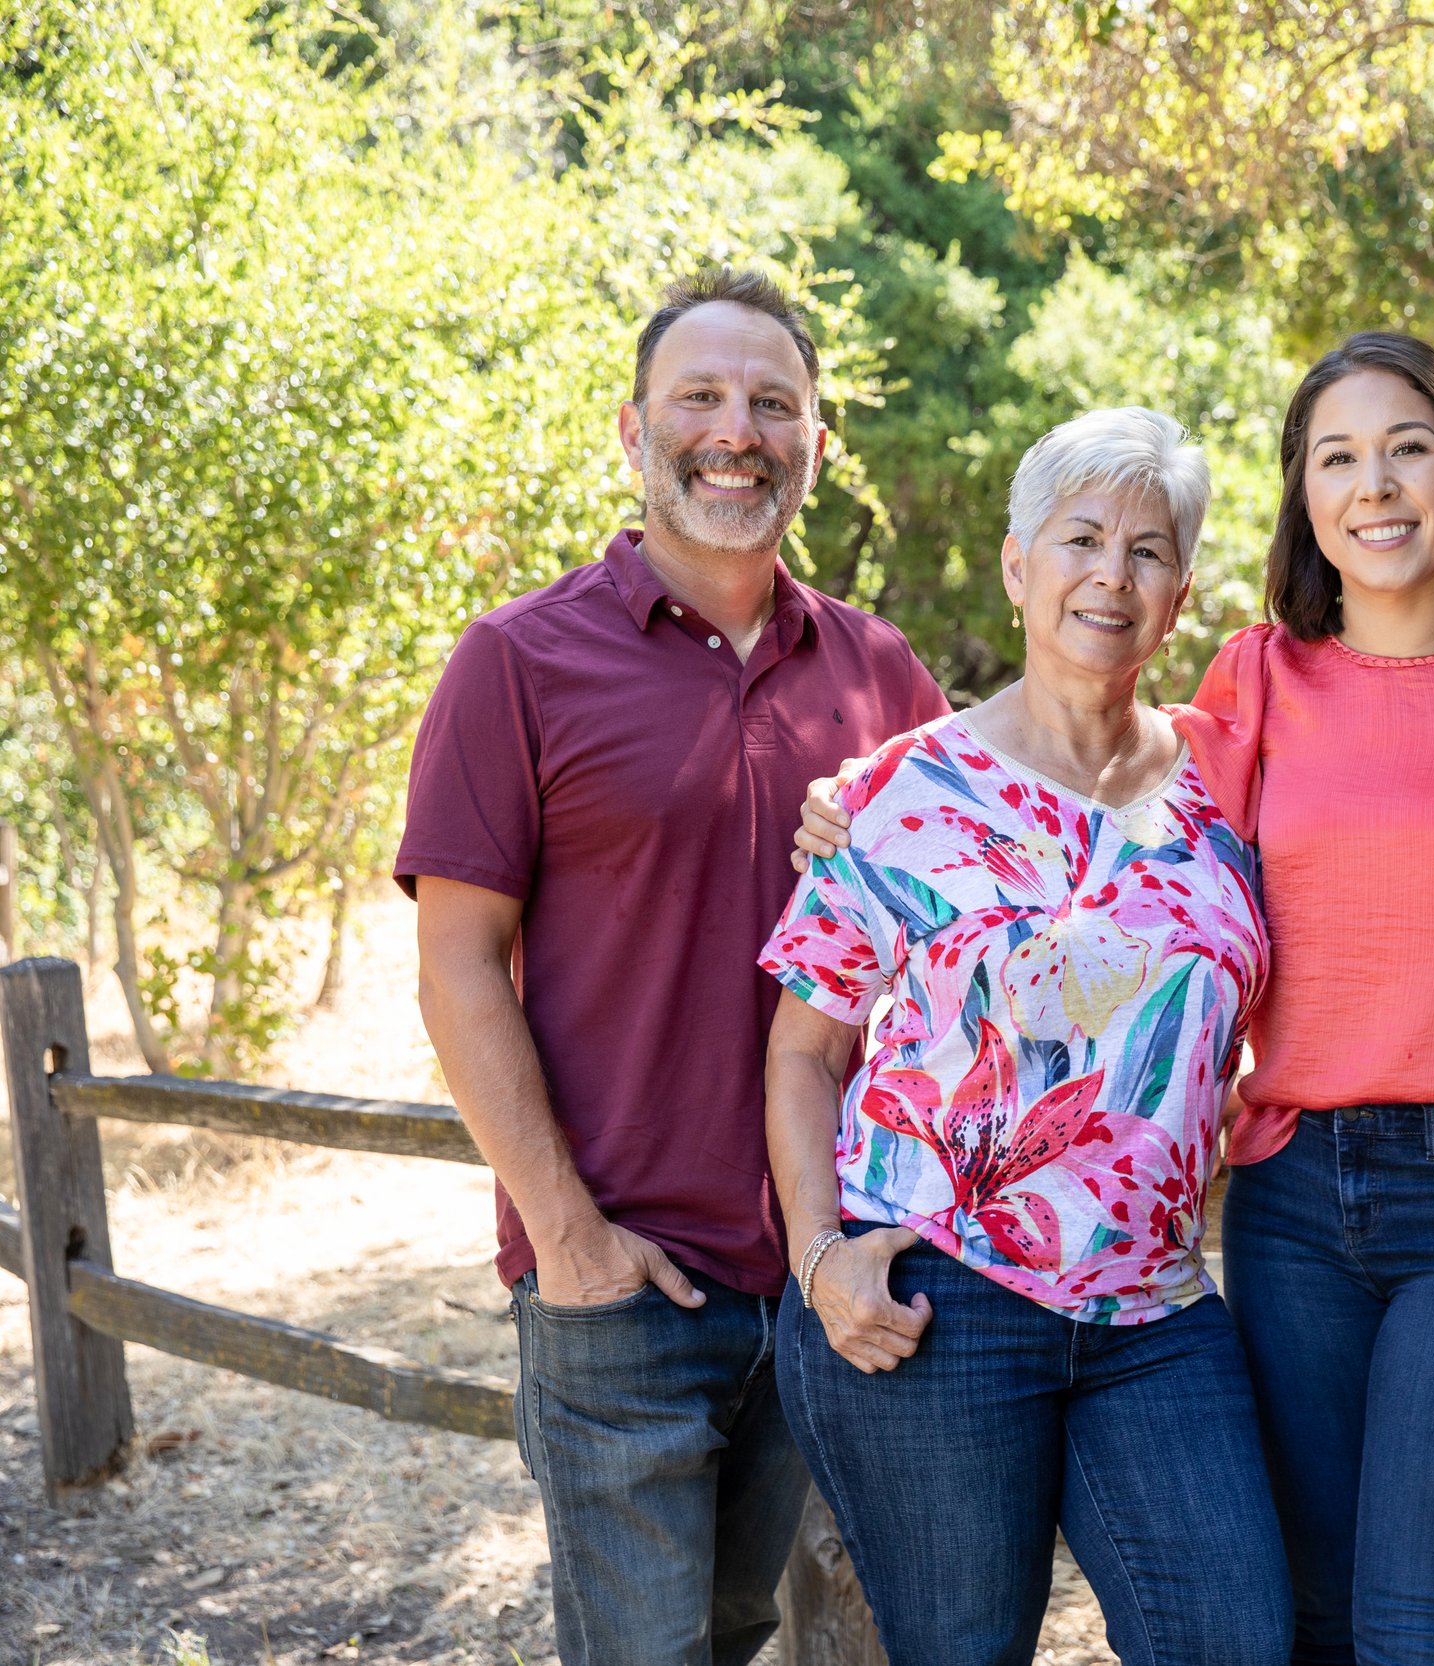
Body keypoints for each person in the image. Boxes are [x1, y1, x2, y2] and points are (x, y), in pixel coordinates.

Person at [795, 334, 1434, 1666]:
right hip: (1282, 1202)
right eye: (1337, 456)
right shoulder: (1259, 680)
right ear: (1304, 500)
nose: (1377, 483)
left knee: (1394, 1633)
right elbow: (1059, 780)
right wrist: (869, 788)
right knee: (1307, 1623)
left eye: (1408, 446)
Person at [399, 268, 950, 1666]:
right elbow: (456, 965)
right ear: (634, 432)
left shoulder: (882, 676)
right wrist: (568, 1236)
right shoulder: (517, 661)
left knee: (743, 1627)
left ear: (817, 446)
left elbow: (971, 949)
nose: (736, 429)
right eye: (698, 397)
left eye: (774, 402)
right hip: (625, 1282)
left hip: (825, 1281)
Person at [760, 406, 1292, 1666]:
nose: (1112, 573)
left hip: (1156, 1303)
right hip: (938, 1295)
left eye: (1149, 549)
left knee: (1234, 1636)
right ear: (1016, 565)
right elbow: (800, 1051)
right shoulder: (897, 794)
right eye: (1081, 538)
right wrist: (818, 1253)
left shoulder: (1228, 794)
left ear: (1179, 592)